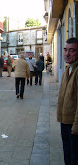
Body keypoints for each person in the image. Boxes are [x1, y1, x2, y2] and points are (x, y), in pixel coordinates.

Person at [57, 37, 78, 165]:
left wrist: (76, 126)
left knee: (74, 157)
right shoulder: (68, 69)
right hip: (64, 121)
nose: (67, 54)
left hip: (73, 124)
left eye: (72, 50)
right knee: (67, 153)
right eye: (65, 50)